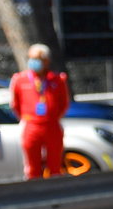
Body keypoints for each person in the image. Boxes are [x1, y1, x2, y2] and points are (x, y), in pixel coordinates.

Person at [9, 43, 69, 179]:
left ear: (46, 61)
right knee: (32, 167)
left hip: (52, 125)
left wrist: (53, 117)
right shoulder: (19, 79)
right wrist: (27, 119)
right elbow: (15, 104)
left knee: (55, 166)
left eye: (38, 59)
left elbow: (64, 103)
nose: (34, 62)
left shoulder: (58, 79)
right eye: (31, 58)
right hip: (31, 126)